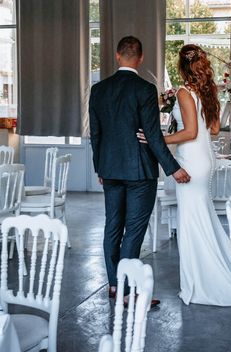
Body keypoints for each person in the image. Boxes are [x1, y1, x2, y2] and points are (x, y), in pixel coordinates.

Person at [89, 36, 190, 303]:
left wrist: (100, 166)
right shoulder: (145, 89)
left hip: (110, 169)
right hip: (139, 172)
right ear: (141, 58)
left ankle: (114, 284)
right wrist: (173, 168)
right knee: (133, 230)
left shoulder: (99, 90)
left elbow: (95, 135)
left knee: (113, 226)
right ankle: (125, 291)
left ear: (117, 55)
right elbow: (152, 135)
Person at [139, 44, 231, 306]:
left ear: (182, 66)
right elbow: (213, 129)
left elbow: (190, 132)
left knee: (191, 222)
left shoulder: (184, 92)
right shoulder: (207, 91)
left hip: (192, 159)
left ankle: (202, 282)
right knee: (199, 218)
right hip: (204, 158)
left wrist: (155, 138)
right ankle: (208, 273)